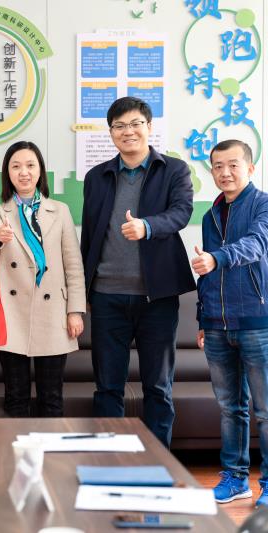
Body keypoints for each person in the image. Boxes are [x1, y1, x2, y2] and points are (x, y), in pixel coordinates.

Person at [80, 96, 195, 447]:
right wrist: (83, 291)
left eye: (135, 124)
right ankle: (109, 459)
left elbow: (181, 213)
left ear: (149, 127)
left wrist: (148, 226)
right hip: (106, 296)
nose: (127, 131)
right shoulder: (96, 176)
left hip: (156, 296)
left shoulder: (174, 170)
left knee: (158, 387)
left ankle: (158, 461)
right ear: (111, 132)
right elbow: (89, 235)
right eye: (119, 126)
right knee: (108, 387)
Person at [192, 139, 268, 511]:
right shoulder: (210, 215)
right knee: (231, 408)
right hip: (218, 325)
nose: (225, 172)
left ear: (250, 168)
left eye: (233, 165)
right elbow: (207, 272)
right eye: (217, 166)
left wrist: (217, 258)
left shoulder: (266, 205)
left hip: (258, 322)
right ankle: (235, 478)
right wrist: (203, 318)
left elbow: (256, 245)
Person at [0, 141, 86, 417]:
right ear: (7, 173)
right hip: (12, 315)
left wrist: (75, 311)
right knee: (15, 397)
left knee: (51, 397)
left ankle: (50, 447)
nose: (24, 172)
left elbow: (73, 265)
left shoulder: (60, 210)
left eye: (30, 165)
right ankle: (16, 446)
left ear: (40, 171)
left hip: (53, 313)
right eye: (16, 166)